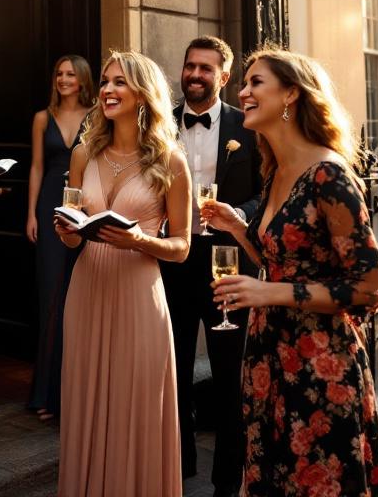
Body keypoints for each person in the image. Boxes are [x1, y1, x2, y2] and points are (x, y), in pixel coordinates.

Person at [205, 46, 378, 497]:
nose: (242, 91)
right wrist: (238, 228)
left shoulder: (328, 174)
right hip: (268, 359)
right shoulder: (277, 170)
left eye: (255, 82)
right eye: (244, 83)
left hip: (317, 367)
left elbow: (372, 288)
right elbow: (279, 261)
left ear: (291, 93)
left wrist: (270, 294)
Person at [56, 50, 191, 497]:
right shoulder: (82, 153)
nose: (109, 90)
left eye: (120, 83)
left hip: (138, 291)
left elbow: (182, 247)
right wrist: (68, 231)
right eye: (107, 82)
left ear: (143, 95)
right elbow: (73, 235)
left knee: (134, 405)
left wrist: (140, 242)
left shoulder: (171, 162)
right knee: (87, 402)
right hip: (88, 287)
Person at [160, 36, 261, 497]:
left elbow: (269, 192)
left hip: (228, 262)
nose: (195, 75)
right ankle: (177, 471)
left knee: (229, 376)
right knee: (173, 371)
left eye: (205, 69)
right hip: (174, 259)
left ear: (224, 77)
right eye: (189, 67)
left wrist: (237, 216)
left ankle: (226, 483)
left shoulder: (250, 128)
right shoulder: (158, 126)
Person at [25, 54, 94, 422]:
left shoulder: (97, 114)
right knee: (51, 294)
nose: (63, 79)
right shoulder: (41, 118)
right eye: (59, 73)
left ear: (82, 80)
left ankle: (74, 393)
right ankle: (46, 394)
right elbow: (36, 167)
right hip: (51, 202)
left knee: (78, 296)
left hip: (84, 205)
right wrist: (32, 213)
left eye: (70, 74)